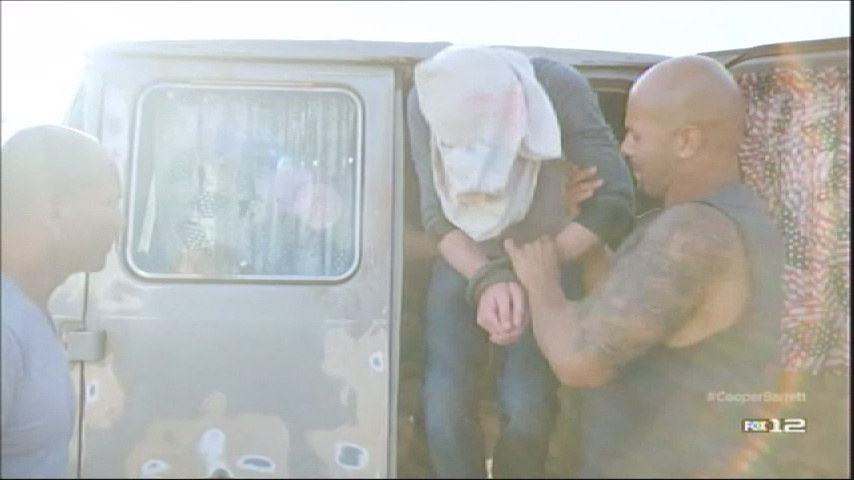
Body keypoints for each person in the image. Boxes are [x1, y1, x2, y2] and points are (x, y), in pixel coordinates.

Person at [504, 55, 786, 478]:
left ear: (686, 141)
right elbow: (629, 316)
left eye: (636, 134)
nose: (626, 148)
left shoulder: (694, 231)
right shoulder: (723, 218)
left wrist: (541, 284)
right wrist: (588, 241)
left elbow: (578, 361)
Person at [407, 45, 635, 478]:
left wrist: (532, 270)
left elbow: (613, 203)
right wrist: (489, 278)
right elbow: (436, 217)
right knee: (444, 403)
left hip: (549, 250)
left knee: (528, 404)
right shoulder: (426, 95)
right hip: (465, 255)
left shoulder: (557, 87)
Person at [1, 125, 123, 478]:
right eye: (109, 203)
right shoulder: (5, 327)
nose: (119, 223)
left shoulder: (27, 308)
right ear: (54, 210)